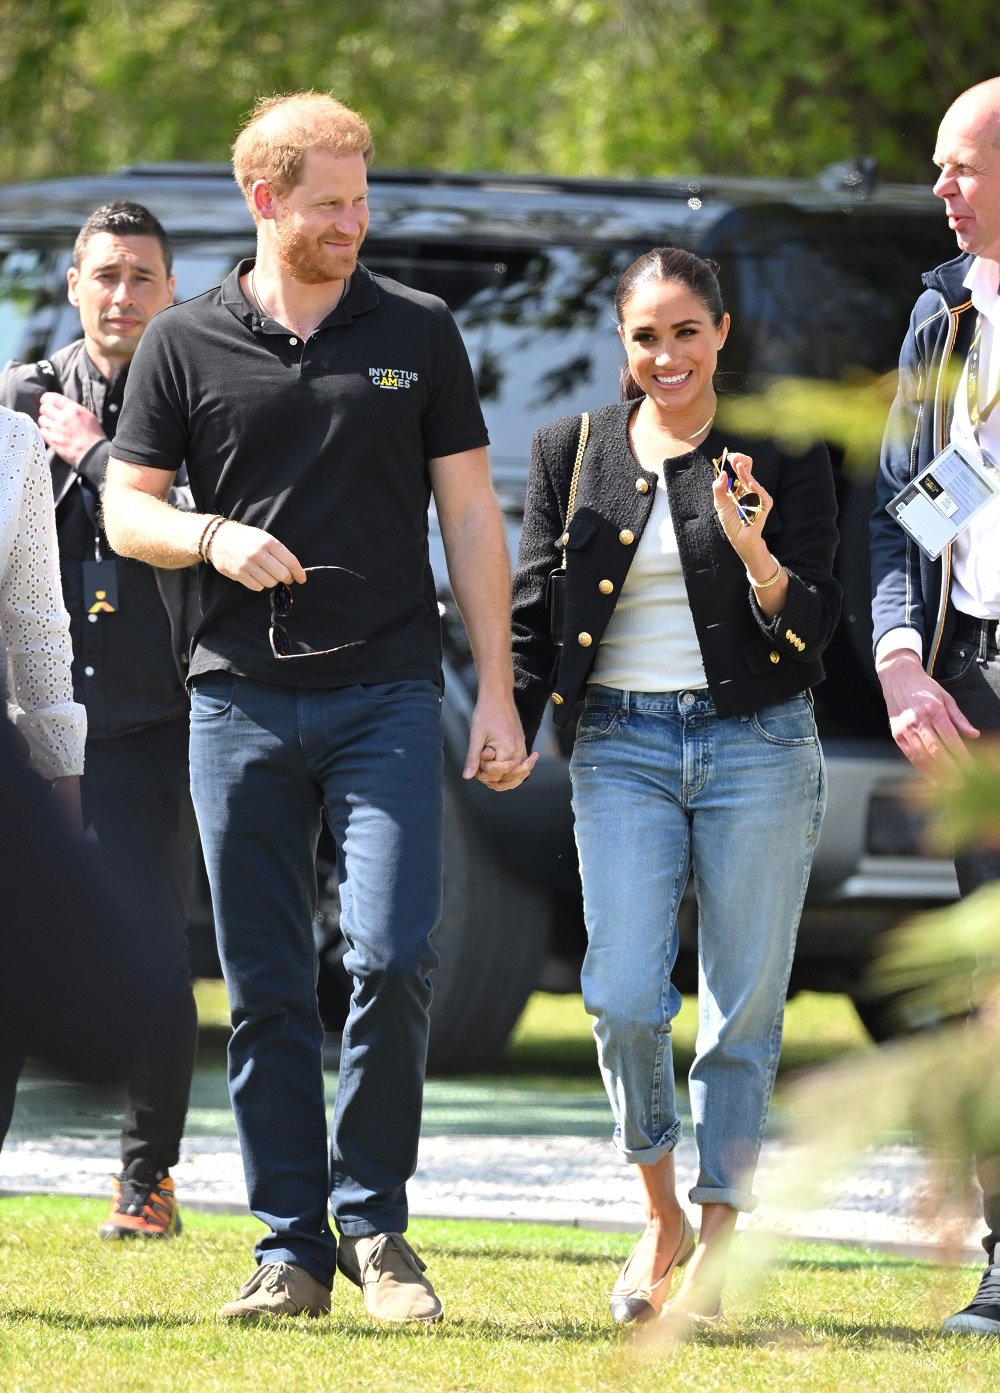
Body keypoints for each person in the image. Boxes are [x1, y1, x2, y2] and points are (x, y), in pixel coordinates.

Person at [102, 91, 534, 1324]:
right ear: (266, 201)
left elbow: (469, 516)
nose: (356, 220)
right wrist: (211, 535)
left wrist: (497, 689)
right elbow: (131, 511)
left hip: (389, 693)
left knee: (392, 956)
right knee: (265, 983)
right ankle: (289, 1249)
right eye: (332, 202)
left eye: (362, 196)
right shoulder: (184, 342)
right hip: (234, 703)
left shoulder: (419, 329)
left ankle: (377, 1227)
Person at [511, 247, 840, 1329]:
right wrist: (506, 720)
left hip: (756, 745)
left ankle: (720, 1232)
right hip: (619, 747)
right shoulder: (571, 449)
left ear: (721, 333)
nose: (666, 356)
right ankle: (659, 1209)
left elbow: (810, 630)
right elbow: (530, 611)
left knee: (739, 1009)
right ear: (622, 342)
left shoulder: (783, 450)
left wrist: (757, 554)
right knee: (619, 995)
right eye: (645, 336)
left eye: (685, 331)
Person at [0, 202, 199, 1241]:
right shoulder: (13, 399)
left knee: (151, 945)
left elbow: (207, 515)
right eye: (105, 275)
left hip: (150, 715)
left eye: (142, 278)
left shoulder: (201, 390)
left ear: (172, 291)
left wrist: (90, 451)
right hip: (29, 724)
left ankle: (146, 1180)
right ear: (75, 284)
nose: (122, 296)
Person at [871, 75, 1000, 1337]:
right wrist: (904, 658)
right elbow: (906, 506)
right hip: (977, 680)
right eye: (939, 167)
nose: (939, 190)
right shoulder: (942, 319)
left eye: (959, 166)